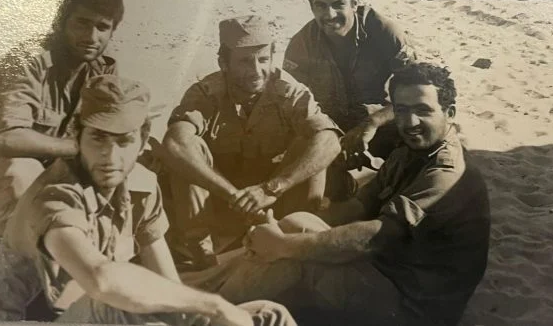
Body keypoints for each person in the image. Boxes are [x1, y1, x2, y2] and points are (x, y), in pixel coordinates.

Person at [197, 63, 491, 326]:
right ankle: (199, 290)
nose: (410, 121)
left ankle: (202, 313)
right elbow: (360, 204)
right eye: (401, 110)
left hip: (415, 306)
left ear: (449, 113)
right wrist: (281, 235)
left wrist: (285, 246)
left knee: (291, 260)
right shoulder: (414, 148)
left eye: (423, 110)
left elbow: (375, 236)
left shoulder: (445, 171)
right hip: (392, 274)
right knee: (297, 222)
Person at [0, 74, 296, 326]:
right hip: (39, 321)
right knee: (121, 304)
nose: (110, 157)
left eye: (123, 140)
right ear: (77, 134)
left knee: (268, 315)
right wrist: (215, 306)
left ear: (142, 138)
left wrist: (207, 318)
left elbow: (168, 283)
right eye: (98, 138)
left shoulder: (141, 185)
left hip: (102, 313)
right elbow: (103, 281)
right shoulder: (56, 196)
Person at [0, 0, 124, 316]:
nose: (91, 37)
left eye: (102, 27)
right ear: (61, 20)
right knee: (21, 168)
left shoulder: (101, 71)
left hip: (30, 200)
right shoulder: (29, 60)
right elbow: (6, 140)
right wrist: (77, 149)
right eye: (81, 23)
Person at [156, 15, 342, 268]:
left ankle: (297, 239)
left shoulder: (289, 91)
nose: (256, 71)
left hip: (270, 203)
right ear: (224, 62)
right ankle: (200, 252)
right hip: (219, 204)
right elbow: (175, 144)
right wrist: (235, 196)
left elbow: (330, 140)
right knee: (188, 151)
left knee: (312, 144)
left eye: (263, 59)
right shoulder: (206, 93)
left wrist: (271, 188)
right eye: (244, 61)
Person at [283, 0, 416, 200]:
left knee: (419, 140)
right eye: (320, 6)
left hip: (377, 127)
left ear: (355, 0)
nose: (329, 15)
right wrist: (327, 137)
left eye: (338, 4)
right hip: (328, 132)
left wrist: (374, 122)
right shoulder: (301, 45)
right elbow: (291, 106)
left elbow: (419, 90)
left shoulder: (383, 32)